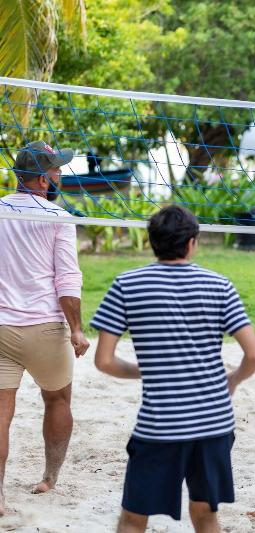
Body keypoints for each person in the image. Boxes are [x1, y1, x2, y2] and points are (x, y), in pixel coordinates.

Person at [90, 205, 255, 532]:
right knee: (206, 516)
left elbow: (104, 361)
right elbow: (254, 355)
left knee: (132, 520)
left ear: (152, 241)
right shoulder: (220, 285)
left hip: (160, 426)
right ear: (192, 243)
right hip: (214, 423)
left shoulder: (127, 284)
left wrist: (147, 370)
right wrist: (233, 380)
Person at [0, 141, 90, 514]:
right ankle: (50, 477)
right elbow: (66, 281)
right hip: (44, 328)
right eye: (56, 170)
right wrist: (77, 329)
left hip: (1, 328)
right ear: (42, 179)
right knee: (57, 400)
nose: (60, 175)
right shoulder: (58, 217)